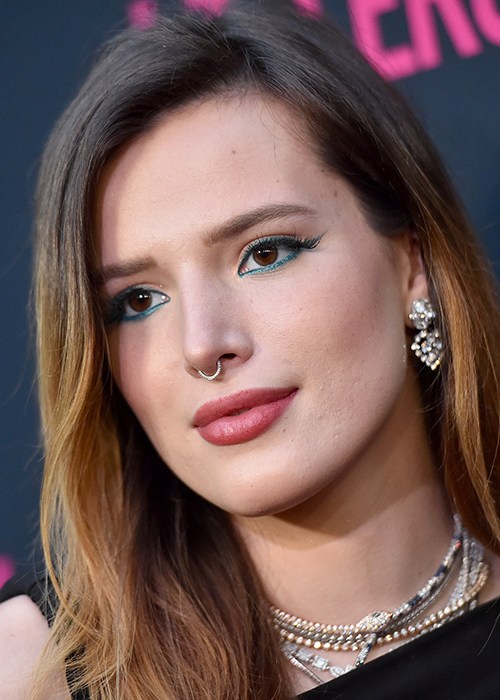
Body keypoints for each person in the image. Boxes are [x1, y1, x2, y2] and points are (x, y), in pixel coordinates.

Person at [0, 4, 499, 699]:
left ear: (411, 262)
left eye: (265, 254)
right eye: (137, 301)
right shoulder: (30, 673)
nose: (203, 345)